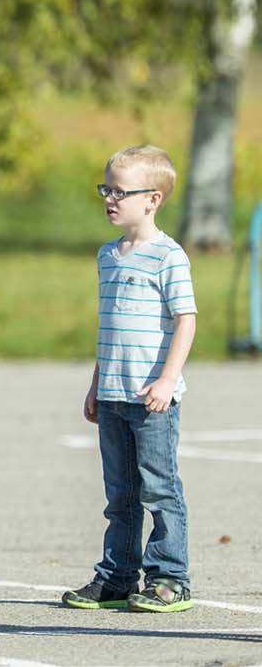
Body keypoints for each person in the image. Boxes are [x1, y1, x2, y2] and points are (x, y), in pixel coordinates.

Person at [61, 145, 197, 614]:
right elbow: (110, 329)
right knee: (119, 494)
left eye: (120, 191)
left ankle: (169, 577)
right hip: (115, 394)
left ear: (152, 199)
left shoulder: (168, 257)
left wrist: (167, 380)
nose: (110, 199)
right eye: (106, 189)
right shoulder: (108, 256)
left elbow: (186, 321)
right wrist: (97, 385)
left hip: (152, 399)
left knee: (159, 488)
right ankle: (117, 576)